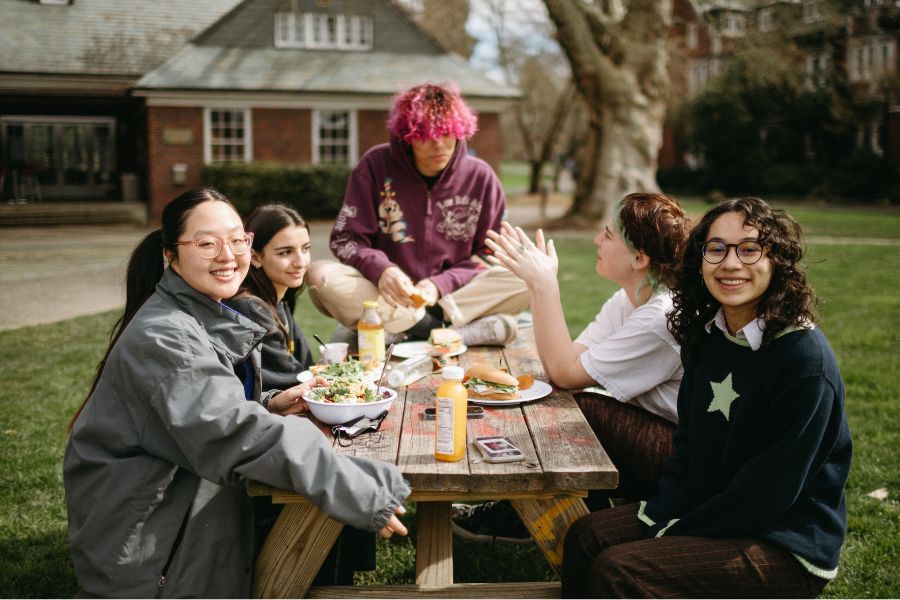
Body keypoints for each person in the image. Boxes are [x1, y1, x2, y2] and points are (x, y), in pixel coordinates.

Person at [64, 189, 409, 598]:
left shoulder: (199, 312)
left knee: (315, 513)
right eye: (206, 243)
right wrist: (358, 487)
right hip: (152, 556)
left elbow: (200, 412)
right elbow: (235, 432)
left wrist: (268, 403)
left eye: (236, 240)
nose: (227, 255)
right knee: (320, 502)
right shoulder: (166, 337)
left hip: (184, 504)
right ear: (170, 255)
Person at [562, 197, 852, 597]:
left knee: (620, 570)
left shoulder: (803, 360)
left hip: (784, 543)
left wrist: (670, 531)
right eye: (716, 249)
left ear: (777, 261)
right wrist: (662, 513)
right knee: (585, 535)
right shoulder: (707, 336)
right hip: (708, 508)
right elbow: (688, 452)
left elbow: (768, 495)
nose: (731, 264)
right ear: (699, 260)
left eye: (749, 249)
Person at [450, 193, 690, 543]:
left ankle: (539, 517)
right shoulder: (627, 299)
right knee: (565, 400)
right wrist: (539, 286)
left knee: (584, 411)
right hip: (663, 438)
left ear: (639, 258)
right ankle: (552, 512)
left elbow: (565, 371)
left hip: (687, 462)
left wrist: (544, 284)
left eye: (608, 235)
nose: (597, 240)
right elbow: (567, 360)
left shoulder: (661, 316)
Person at [307, 82, 529, 348]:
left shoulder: (481, 178)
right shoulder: (374, 166)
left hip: (455, 296)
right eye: (425, 134)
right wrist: (382, 270)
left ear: (460, 129)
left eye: (447, 132)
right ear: (407, 135)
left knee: (528, 275)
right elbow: (346, 239)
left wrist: (439, 285)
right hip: (387, 293)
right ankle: (453, 332)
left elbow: (489, 252)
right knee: (320, 276)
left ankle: (410, 329)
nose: (438, 144)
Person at [225, 203, 376, 584]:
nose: (300, 262)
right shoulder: (253, 309)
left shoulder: (278, 302)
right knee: (353, 453)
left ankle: (341, 568)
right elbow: (284, 383)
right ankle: (325, 574)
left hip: (285, 417)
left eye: (306, 249)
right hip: (263, 434)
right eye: (285, 252)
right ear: (255, 257)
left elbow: (301, 368)